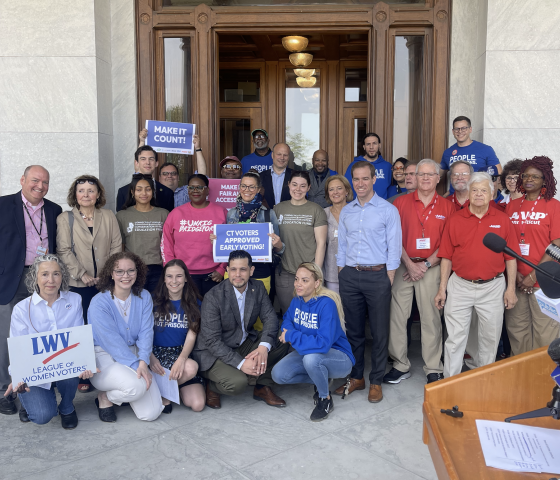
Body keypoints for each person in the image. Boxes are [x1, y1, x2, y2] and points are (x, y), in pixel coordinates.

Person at [435, 173, 518, 378]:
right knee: (455, 338)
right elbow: (446, 257)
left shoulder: (503, 219)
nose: (479, 194)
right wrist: (442, 289)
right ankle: (450, 383)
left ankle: (483, 383)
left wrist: (511, 289)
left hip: (493, 287)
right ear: (468, 194)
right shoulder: (455, 220)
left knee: (490, 338)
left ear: (492, 194)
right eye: (475, 190)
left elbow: (511, 258)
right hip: (460, 285)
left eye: (484, 190)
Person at [334, 161, 401, 403]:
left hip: (377, 276)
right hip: (350, 276)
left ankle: (376, 381)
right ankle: (357, 377)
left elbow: (394, 246)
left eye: (365, 179)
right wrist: (342, 272)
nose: (360, 184)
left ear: (374, 179)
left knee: (380, 332)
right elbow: (342, 245)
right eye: (356, 179)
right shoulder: (348, 211)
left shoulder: (387, 210)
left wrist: (389, 276)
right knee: (353, 331)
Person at [384, 159, 455, 385]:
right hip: (404, 265)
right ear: (413, 177)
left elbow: (447, 243)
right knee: (397, 316)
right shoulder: (400, 203)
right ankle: (400, 364)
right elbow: (394, 238)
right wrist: (410, 263)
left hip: (431, 268)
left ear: (438, 178)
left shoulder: (447, 207)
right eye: (420, 174)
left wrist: (424, 265)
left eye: (429, 174)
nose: (424, 178)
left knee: (431, 318)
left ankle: (434, 367)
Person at [5, 255, 96, 427]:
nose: (51, 280)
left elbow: (78, 339)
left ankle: (67, 407)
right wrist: (17, 377)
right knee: (42, 416)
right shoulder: (21, 309)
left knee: (73, 370)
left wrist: (85, 363)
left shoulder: (75, 300)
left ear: (62, 276)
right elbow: (18, 349)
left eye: (56, 274)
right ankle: (32, 402)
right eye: (45, 274)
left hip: (64, 366)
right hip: (35, 371)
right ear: (35, 277)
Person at [192, 250, 290, 409]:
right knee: (237, 384)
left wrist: (263, 347)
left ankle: (261, 385)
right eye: (233, 269)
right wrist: (240, 364)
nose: (238, 274)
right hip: (213, 352)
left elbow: (270, 318)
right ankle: (213, 385)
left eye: (243, 269)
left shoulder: (257, 287)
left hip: (242, 343)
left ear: (251, 271)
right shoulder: (214, 296)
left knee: (281, 337)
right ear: (227, 270)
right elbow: (212, 341)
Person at [0, 165, 62, 416]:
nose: (40, 186)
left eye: (45, 182)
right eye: (35, 180)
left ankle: (32, 392)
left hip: (41, 278)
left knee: (39, 334)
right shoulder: (3, 205)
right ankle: (5, 388)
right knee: (7, 337)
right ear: (23, 180)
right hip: (10, 280)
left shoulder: (54, 210)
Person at [56, 175, 122, 392]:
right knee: (81, 327)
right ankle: (83, 372)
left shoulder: (108, 216)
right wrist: (82, 274)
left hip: (105, 282)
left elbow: (116, 246)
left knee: (104, 325)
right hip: (78, 283)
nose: (86, 194)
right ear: (75, 195)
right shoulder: (65, 218)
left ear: (98, 194)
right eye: (81, 190)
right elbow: (63, 250)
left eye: (90, 190)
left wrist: (106, 274)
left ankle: (107, 368)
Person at [272, 263, 355, 422]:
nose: (298, 284)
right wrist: (289, 332)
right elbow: (287, 322)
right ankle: (321, 378)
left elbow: (323, 344)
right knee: (279, 374)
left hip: (338, 357)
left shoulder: (326, 304)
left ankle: (325, 399)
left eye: (304, 280)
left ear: (316, 283)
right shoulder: (297, 300)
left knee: (311, 359)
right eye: (297, 279)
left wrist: (291, 336)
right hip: (308, 353)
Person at [88, 252, 163, 422]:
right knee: (137, 386)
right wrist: (138, 365)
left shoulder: (144, 296)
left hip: (135, 354)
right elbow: (112, 343)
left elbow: (146, 332)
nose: (126, 276)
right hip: (104, 357)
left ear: (138, 272)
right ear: (111, 274)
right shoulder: (99, 302)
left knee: (151, 414)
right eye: (119, 271)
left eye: (131, 270)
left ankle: (118, 395)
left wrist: (143, 361)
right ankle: (105, 398)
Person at [505, 156, 560, 354]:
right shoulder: (512, 206)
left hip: (544, 283)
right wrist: (517, 277)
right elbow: (506, 244)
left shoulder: (553, 206)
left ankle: (542, 381)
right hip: (516, 280)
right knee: (517, 333)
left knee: (545, 335)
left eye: (535, 177)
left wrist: (533, 276)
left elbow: (557, 246)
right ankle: (522, 378)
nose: (529, 179)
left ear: (545, 180)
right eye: (525, 175)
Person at [150, 259, 205, 413]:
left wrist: (181, 359)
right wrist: (150, 356)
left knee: (197, 404)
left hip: (179, 352)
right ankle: (167, 393)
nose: (174, 281)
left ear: (186, 278)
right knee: (190, 368)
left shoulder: (195, 303)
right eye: (169, 276)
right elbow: (143, 333)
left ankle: (165, 391)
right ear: (164, 279)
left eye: (179, 276)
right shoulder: (152, 300)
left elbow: (191, 336)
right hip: (155, 354)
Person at [161, 174, 227, 297]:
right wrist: (172, 272)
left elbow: (229, 243)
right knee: (189, 313)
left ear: (207, 190)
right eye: (191, 188)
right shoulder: (176, 213)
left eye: (200, 187)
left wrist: (222, 268)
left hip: (213, 276)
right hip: (184, 276)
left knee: (212, 314)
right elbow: (166, 244)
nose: (195, 191)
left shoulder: (221, 212)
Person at [274, 171, 328, 314]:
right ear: (288, 185)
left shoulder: (316, 210)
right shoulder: (278, 209)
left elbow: (321, 243)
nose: (298, 189)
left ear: (308, 187)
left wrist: (316, 272)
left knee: (309, 313)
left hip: (308, 273)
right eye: (294, 184)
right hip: (285, 271)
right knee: (288, 312)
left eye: (303, 186)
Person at [224, 171, 285, 300]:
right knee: (232, 312)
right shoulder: (231, 214)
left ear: (258, 190)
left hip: (260, 271)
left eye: (252, 187)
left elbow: (279, 249)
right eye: (244, 186)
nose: (247, 190)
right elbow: (227, 242)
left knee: (258, 314)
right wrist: (218, 240)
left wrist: (278, 244)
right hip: (235, 271)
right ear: (240, 188)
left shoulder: (269, 214)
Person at [116, 174, 168, 293]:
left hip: (158, 268)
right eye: (139, 190)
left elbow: (169, 243)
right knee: (135, 304)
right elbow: (120, 246)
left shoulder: (164, 214)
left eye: (148, 189)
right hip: (132, 269)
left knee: (157, 305)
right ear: (132, 192)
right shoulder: (122, 216)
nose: (144, 193)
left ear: (153, 191)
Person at [440, 116, 501, 194]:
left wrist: (494, 196)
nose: (460, 131)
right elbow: (436, 175)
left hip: (478, 198)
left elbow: (499, 176)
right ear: (453, 131)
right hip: (455, 201)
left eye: (464, 128)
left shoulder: (485, 149)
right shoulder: (447, 153)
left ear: (470, 129)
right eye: (457, 129)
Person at [116, 146, 174, 212]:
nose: (147, 163)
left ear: (156, 163)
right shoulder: (123, 192)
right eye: (143, 159)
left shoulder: (168, 193)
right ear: (136, 163)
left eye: (151, 159)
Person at [157, 134, 208, 208]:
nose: (169, 176)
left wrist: (197, 149)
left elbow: (201, 176)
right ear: (159, 178)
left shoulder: (186, 192)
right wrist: (142, 142)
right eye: (165, 173)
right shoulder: (153, 192)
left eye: (173, 173)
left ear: (178, 178)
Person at [323, 175, 353, 294]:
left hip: (354, 273)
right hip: (331, 273)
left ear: (346, 191)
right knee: (334, 309)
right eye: (331, 189)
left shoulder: (356, 212)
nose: (335, 192)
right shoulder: (323, 214)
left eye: (339, 188)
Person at [344, 133, 392, 199]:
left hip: (381, 207)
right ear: (364, 147)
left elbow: (391, 189)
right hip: (359, 206)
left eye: (374, 143)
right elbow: (346, 187)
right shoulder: (354, 165)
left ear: (379, 145)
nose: (371, 147)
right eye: (368, 144)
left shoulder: (387, 166)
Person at [260, 143, 293, 209]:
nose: (282, 158)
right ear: (272, 155)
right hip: (266, 217)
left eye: (285, 155)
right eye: (279, 154)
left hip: (289, 217)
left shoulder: (295, 176)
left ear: (288, 157)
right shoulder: (260, 177)